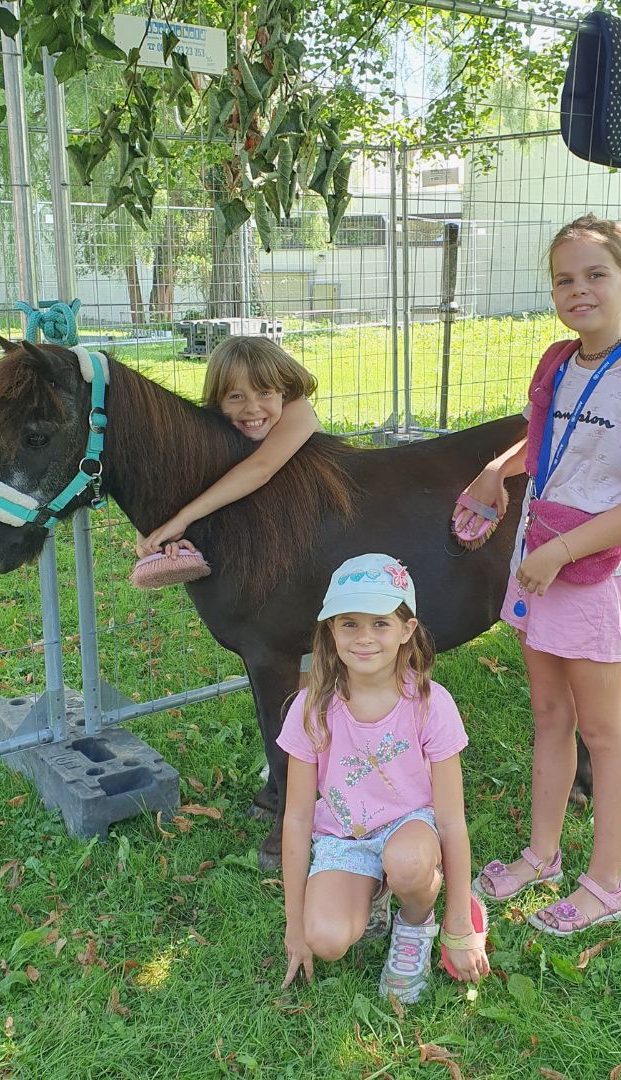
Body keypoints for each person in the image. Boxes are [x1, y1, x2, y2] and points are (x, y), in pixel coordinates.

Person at [457, 214, 621, 935]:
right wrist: (498, 470)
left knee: (601, 733)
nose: (578, 289)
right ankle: (542, 854)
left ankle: (606, 883)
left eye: (595, 275)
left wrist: (559, 552)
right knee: (548, 718)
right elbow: (548, 437)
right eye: (564, 278)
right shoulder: (560, 361)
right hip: (538, 568)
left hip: (587, 578)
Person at [277, 554, 489, 1002]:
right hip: (345, 837)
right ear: (330, 631)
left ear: (406, 631)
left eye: (380, 623)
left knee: (410, 863)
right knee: (326, 939)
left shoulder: (431, 704)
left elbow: (451, 821)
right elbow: (297, 819)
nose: (364, 638)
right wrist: (295, 926)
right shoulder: (310, 708)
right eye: (349, 623)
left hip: (409, 828)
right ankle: (372, 892)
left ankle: (414, 923)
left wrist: (459, 922)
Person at [132, 336, 320, 580]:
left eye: (264, 392)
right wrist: (153, 540)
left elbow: (260, 468)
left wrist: (182, 519)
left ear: (283, 391)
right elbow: (168, 479)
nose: (253, 408)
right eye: (236, 396)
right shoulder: (215, 430)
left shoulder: (298, 409)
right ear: (217, 403)